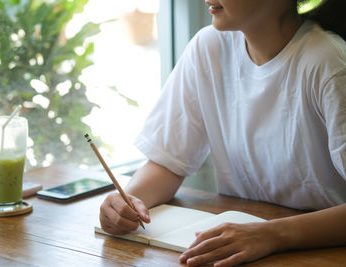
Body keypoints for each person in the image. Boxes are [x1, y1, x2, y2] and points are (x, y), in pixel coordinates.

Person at [99, 0, 346, 266]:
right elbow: (167, 162)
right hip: (239, 248)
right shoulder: (209, 47)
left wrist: (272, 235)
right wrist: (129, 202)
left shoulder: (329, 64)